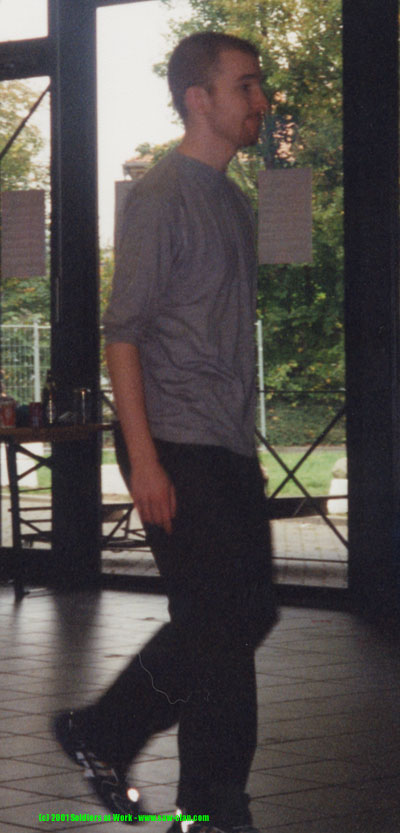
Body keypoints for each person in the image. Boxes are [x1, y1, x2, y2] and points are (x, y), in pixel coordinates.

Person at [54, 31, 277, 833]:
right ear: (197, 99)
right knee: (224, 622)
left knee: (239, 620)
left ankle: (178, 780)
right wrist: (144, 459)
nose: (261, 101)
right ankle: (181, 785)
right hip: (174, 442)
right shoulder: (160, 197)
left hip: (226, 443)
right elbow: (123, 334)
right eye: (245, 85)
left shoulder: (233, 201)